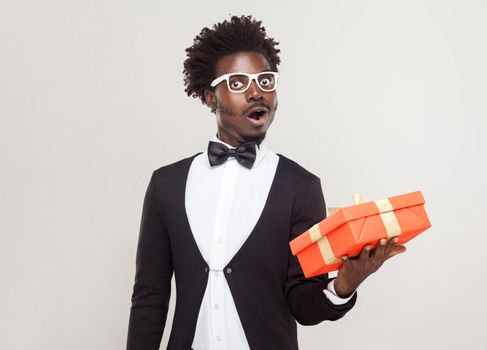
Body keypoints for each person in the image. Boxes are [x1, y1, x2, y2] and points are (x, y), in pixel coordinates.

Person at [126, 15, 406, 350]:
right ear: (209, 98)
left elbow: (302, 302)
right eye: (238, 83)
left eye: (266, 81)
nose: (257, 92)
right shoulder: (166, 185)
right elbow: (149, 300)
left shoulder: (300, 186)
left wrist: (343, 285)